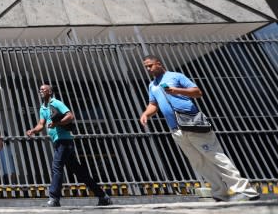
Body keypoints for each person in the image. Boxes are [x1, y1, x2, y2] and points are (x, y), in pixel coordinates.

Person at [139, 55, 260, 202]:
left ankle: (246, 191)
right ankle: (219, 193)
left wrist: (175, 90)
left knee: (216, 157)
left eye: (150, 65)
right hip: (176, 130)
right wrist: (146, 114)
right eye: (146, 67)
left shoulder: (176, 76)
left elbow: (197, 92)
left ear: (159, 63)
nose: (148, 69)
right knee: (198, 162)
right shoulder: (152, 85)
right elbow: (154, 104)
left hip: (193, 122)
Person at [25, 84, 112, 208]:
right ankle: (103, 197)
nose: (41, 91)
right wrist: (33, 131)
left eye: (43, 89)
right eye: (40, 90)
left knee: (56, 167)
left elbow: (70, 116)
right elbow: (41, 124)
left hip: (64, 141)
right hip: (57, 142)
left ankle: (54, 198)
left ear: (50, 91)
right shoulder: (43, 108)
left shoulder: (56, 103)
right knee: (80, 172)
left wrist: (58, 123)